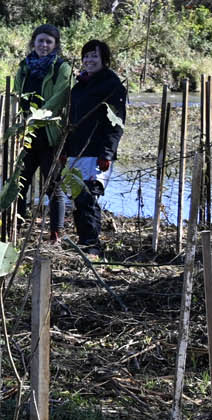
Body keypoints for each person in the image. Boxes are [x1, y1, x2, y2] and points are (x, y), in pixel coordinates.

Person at [62, 40, 127, 256]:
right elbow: (70, 119)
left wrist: (106, 153)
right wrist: (64, 150)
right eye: (86, 56)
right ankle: (84, 242)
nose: (89, 60)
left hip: (96, 153)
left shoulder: (112, 85)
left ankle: (92, 246)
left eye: (94, 57)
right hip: (76, 151)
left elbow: (116, 124)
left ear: (104, 60)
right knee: (77, 199)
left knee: (88, 199)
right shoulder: (80, 85)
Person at [11, 23, 74, 240]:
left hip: (50, 135)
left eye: (49, 41)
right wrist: (23, 119)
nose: (44, 45)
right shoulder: (25, 66)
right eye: (40, 41)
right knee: (19, 184)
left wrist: (38, 116)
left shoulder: (62, 67)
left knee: (53, 187)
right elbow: (17, 92)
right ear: (33, 42)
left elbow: (60, 97)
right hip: (28, 135)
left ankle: (55, 233)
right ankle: (15, 230)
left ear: (55, 45)